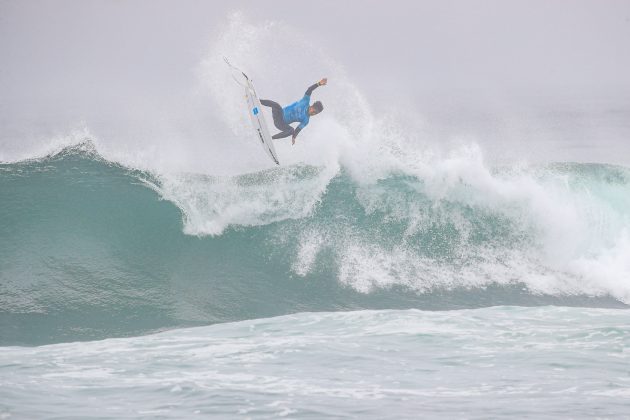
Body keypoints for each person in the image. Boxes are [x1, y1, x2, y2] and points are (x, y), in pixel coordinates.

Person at [260, 78, 327, 145]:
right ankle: (258, 101)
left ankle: (270, 139)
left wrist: (294, 137)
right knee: (276, 105)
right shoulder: (305, 101)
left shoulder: (306, 120)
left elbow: (298, 129)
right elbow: (310, 89)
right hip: (278, 114)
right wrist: (318, 84)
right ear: (312, 106)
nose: (314, 113)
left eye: (316, 113)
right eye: (314, 111)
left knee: (291, 130)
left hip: (281, 124)